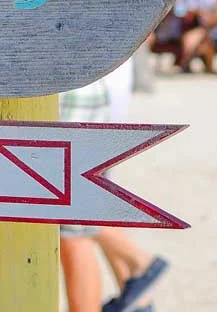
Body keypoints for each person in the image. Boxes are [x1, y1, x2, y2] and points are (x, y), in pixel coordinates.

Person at [59, 58, 169, 312]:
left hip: (72, 88)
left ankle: (138, 262)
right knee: (79, 210)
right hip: (98, 85)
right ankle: (137, 283)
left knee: (70, 223)